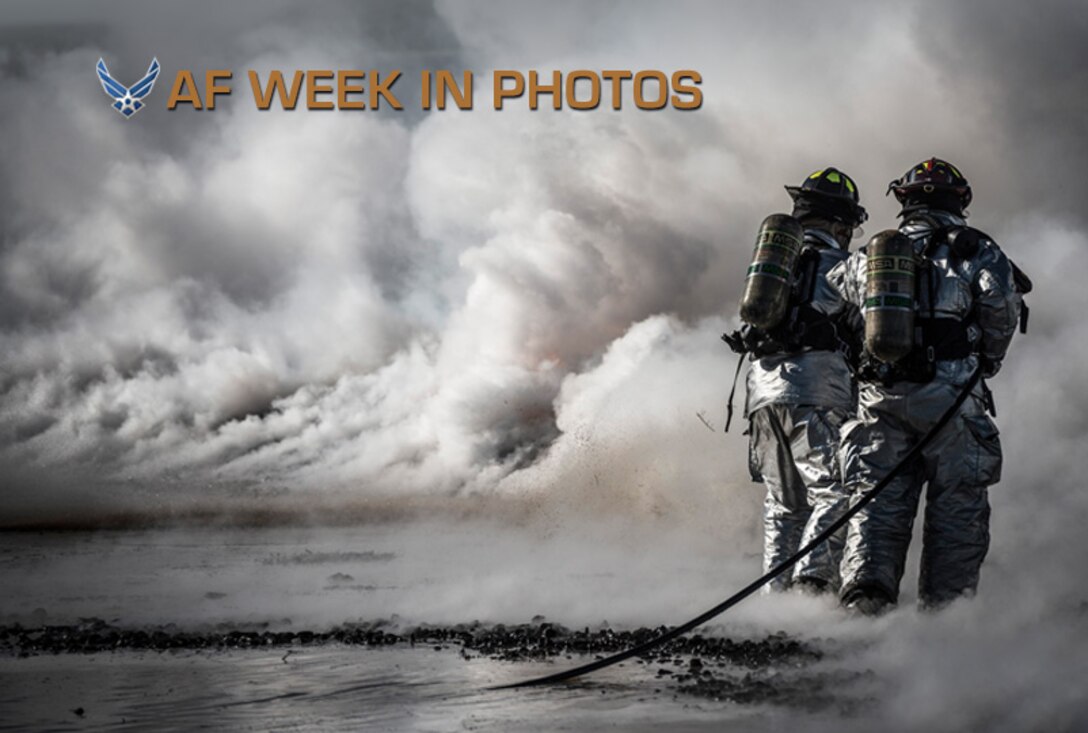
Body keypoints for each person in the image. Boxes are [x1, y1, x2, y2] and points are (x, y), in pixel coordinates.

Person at [828, 158, 1028, 614]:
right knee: (957, 506)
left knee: (876, 502)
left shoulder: (871, 256)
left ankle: (865, 604)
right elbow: (1001, 306)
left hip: (880, 396)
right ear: (960, 200)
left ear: (904, 200)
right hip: (951, 398)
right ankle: (944, 618)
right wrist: (987, 360)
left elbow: (840, 298)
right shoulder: (977, 250)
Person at [726, 168, 866, 594]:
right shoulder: (845, 267)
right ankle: (810, 587)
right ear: (841, 225)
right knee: (836, 492)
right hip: (819, 392)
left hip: (762, 394)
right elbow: (869, 335)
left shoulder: (772, 271)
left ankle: (775, 600)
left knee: (783, 504)